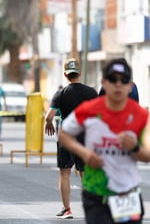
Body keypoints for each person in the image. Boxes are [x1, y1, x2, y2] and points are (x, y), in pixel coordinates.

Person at [59, 58, 150, 224]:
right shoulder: (89, 110)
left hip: (126, 192)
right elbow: (64, 134)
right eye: (112, 80)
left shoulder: (141, 115)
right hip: (96, 192)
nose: (117, 85)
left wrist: (135, 148)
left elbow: (148, 153)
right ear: (104, 83)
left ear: (130, 85)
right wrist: (84, 153)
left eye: (123, 80)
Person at [44, 58, 98, 219]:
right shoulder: (91, 92)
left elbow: (49, 116)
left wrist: (50, 124)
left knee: (65, 173)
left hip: (66, 137)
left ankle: (67, 209)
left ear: (65, 75)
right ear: (80, 73)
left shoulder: (60, 93)